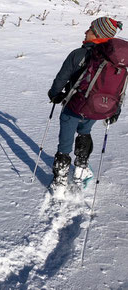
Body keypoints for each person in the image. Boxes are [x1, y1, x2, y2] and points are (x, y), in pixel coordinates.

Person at [48, 17, 123, 190]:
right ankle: (81, 170)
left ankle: (60, 182)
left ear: (98, 34)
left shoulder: (78, 54)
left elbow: (60, 80)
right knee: (85, 132)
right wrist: (115, 110)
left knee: (65, 143)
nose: (85, 31)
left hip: (73, 108)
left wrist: (54, 95)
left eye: (90, 29)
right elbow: (119, 89)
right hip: (97, 109)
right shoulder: (114, 61)